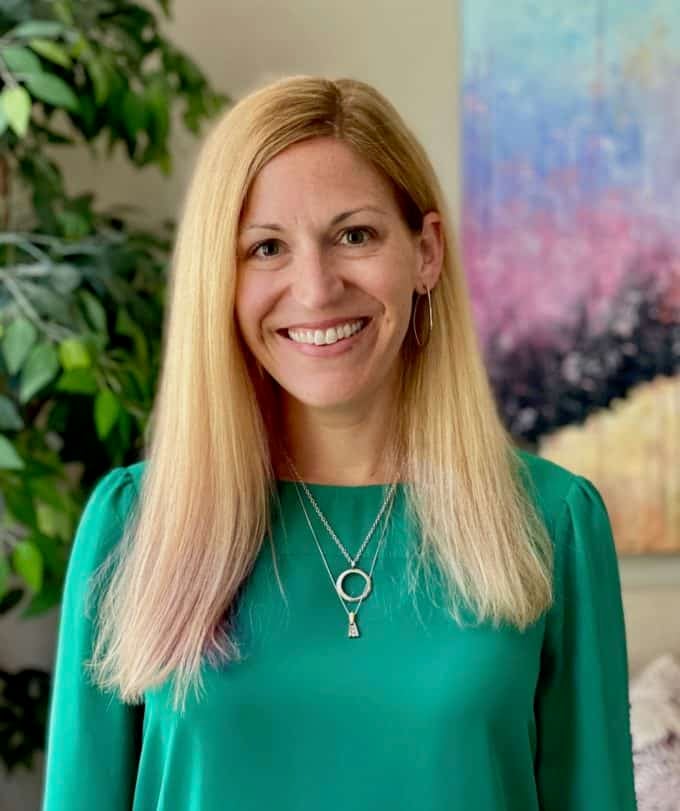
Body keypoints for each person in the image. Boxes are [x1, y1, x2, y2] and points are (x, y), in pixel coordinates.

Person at [41, 75, 638, 810]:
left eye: (354, 235)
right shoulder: (132, 524)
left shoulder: (554, 522)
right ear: (218, 280)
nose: (316, 288)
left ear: (425, 252)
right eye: (265, 248)